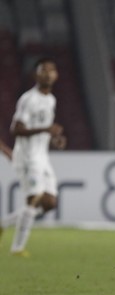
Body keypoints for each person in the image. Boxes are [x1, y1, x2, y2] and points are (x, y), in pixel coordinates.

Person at [0, 57, 66, 257]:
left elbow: (44, 132)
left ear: (56, 75)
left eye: (51, 70)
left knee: (50, 203)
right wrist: (46, 128)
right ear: (36, 75)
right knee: (34, 197)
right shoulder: (29, 99)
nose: (47, 73)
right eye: (43, 70)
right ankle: (17, 248)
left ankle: (3, 224)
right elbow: (16, 129)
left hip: (42, 156)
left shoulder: (50, 100)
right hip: (28, 157)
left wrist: (55, 139)